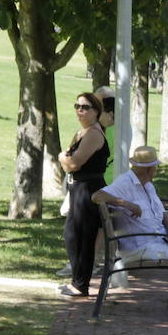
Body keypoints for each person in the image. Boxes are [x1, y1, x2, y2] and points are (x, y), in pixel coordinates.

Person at [91, 145, 168, 314]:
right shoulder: (125, 183)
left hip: (157, 238)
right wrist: (126, 204)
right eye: (155, 167)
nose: (156, 170)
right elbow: (96, 196)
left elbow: (162, 214)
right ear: (148, 169)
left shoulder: (148, 185)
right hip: (139, 243)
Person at [58, 92, 109, 298]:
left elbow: (73, 163)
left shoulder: (94, 134)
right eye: (77, 106)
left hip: (89, 189)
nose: (80, 110)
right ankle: (76, 282)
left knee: (83, 238)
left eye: (85, 107)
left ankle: (81, 285)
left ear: (96, 111)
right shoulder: (82, 132)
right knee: (71, 236)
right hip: (77, 188)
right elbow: (71, 164)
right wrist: (67, 161)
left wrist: (62, 157)